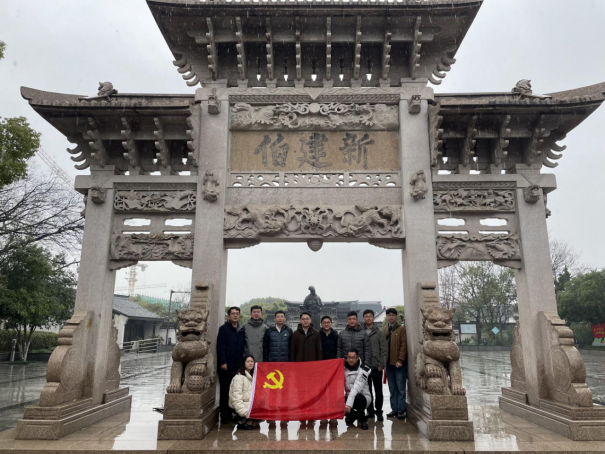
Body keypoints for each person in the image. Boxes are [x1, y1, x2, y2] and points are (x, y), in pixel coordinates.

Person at [217, 306, 245, 424]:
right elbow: (220, 346)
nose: (235, 315)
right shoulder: (223, 329)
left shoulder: (241, 330)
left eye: (237, 313)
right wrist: (223, 362)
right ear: (228, 316)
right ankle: (224, 415)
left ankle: (234, 414)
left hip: (237, 365)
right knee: (225, 391)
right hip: (226, 366)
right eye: (233, 313)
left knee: (236, 391)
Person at [382, 307, 407, 419]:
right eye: (389, 315)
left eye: (393, 315)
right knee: (392, 387)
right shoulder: (384, 329)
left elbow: (403, 345)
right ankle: (394, 409)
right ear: (387, 316)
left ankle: (401, 410)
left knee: (401, 387)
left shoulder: (401, 329)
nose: (391, 317)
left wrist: (400, 360)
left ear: (396, 316)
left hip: (398, 363)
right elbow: (382, 345)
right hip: (388, 363)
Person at [363, 309, 387, 421]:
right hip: (365, 367)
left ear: (373, 318)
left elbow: (384, 349)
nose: (368, 318)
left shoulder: (379, 332)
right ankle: (370, 411)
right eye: (366, 316)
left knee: (378, 391)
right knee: (367, 391)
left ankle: (379, 411)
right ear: (363, 318)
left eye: (370, 316)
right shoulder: (361, 331)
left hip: (377, 366)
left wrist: (382, 363)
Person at [344, 348, 371, 430]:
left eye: (353, 357)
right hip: (349, 396)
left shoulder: (364, 369)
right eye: (349, 357)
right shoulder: (343, 368)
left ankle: (363, 420)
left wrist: (348, 404)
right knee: (338, 402)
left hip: (363, 397)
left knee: (358, 398)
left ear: (357, 358)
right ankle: (354, 415)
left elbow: (357, 387)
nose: (351, 360)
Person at [229, 354, 258, 430]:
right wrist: (244, 413)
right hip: (241, 407)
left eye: (252, 361)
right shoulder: (239, 378)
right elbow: (236, 399)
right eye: (248, 361)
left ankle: (247, 421)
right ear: (243, 363)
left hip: (248, 404)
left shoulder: (251, 376)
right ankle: (242, 420)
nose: (250, 363)